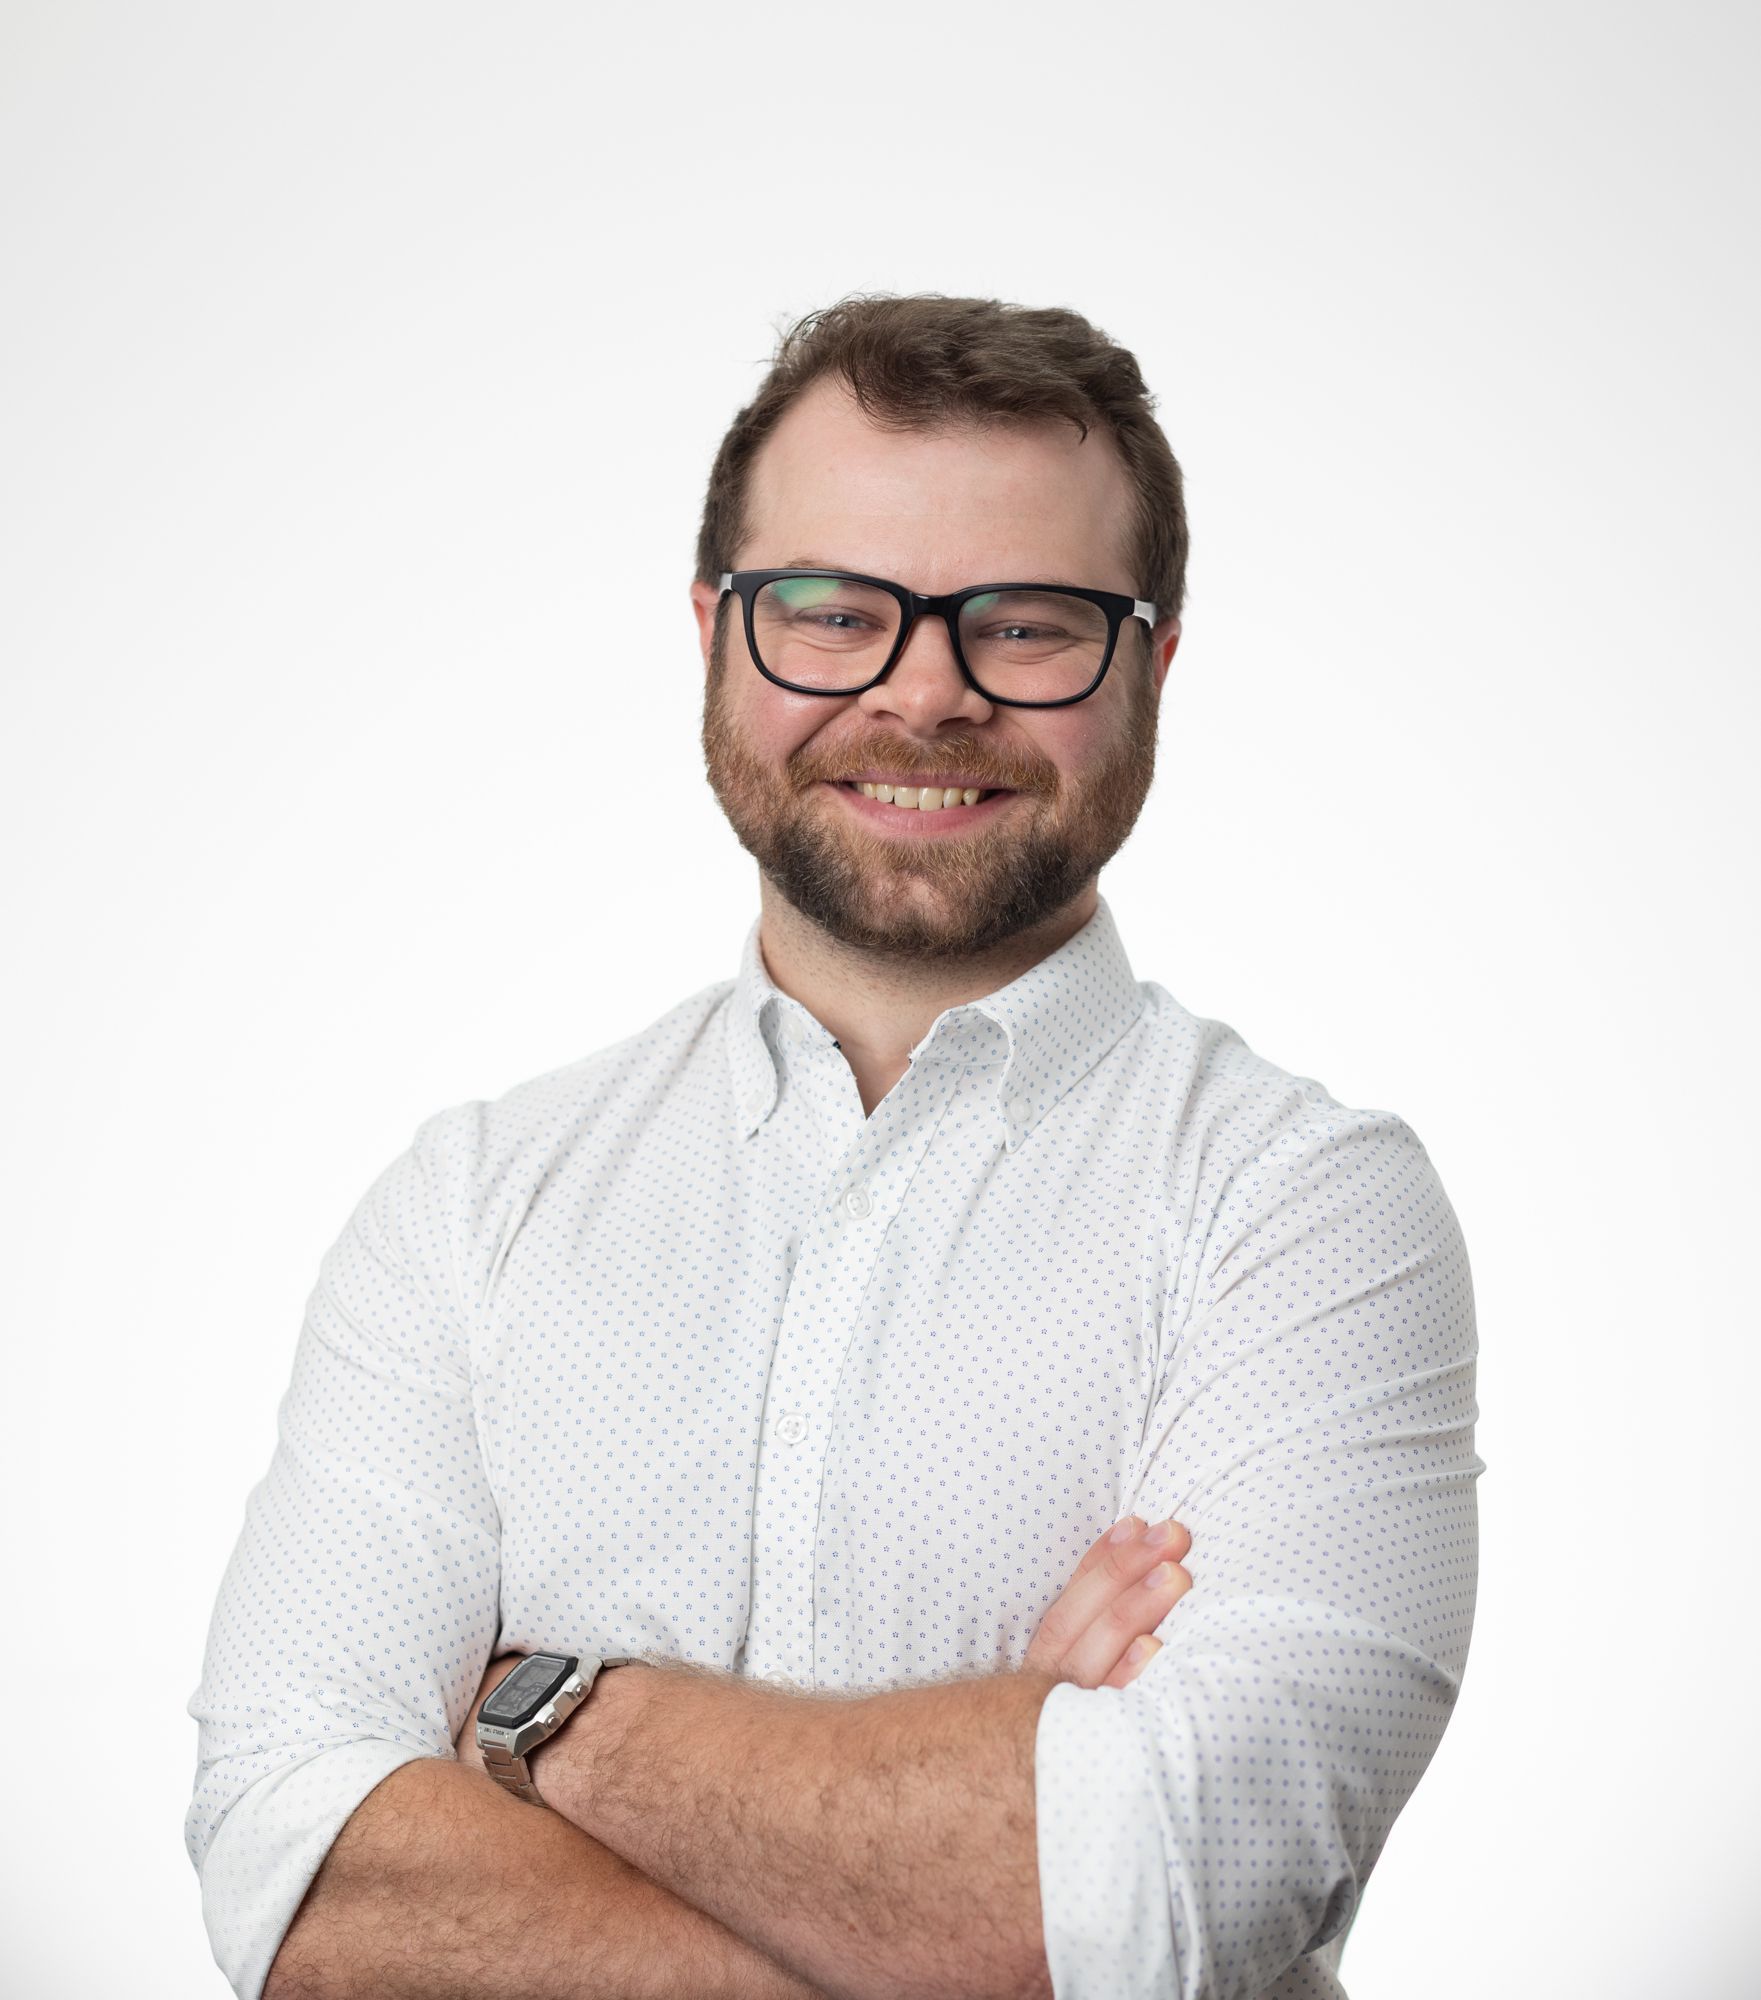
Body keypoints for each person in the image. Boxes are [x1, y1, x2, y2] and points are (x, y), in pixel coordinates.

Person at [186, 293, 1483, 2000]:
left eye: (1027, 625)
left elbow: (1173, 1887)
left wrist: (543, 1719)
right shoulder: (470, 1206)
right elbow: (295, 1880)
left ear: (1151, 666)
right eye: (833, 613)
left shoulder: (1305, 1211)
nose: (923, 693)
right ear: (715, 635)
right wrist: (990, 1814)